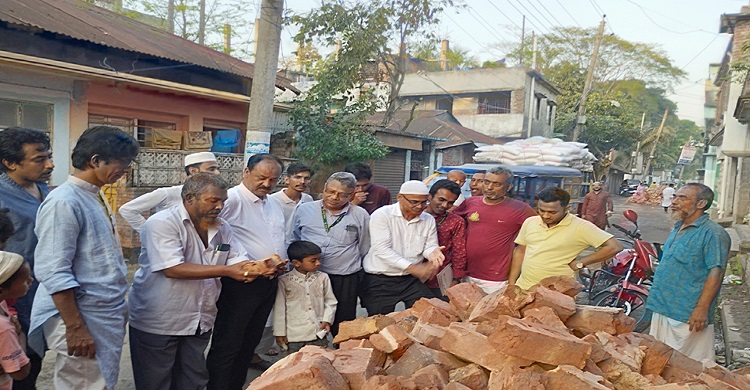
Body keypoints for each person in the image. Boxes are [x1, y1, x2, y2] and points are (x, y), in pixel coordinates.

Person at [127, 173, 275, 389]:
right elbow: (172, 268)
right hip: (161, 319)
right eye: (212, 200)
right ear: (189, 199)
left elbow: (238, 258)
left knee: (193, 380)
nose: (219, 206)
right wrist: (228, 271)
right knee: (156, 382)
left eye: (223, 201)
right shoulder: (162, 223)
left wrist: (261, 267)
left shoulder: (222, 227)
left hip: (199, 318)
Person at [29, 126, 139, 390]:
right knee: (84, 384)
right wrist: (75, 327)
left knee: (99, 382)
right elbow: (54, 271)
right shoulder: (64, 202)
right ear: (95, 161)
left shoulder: (94, 193)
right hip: (81, 315)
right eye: (123, 163)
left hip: (101, 312)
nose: (126, 170)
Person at [207, 154, 288, 390]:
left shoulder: (272, 202)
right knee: (228, 342)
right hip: (240, 282)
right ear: (246, 172)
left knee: (249, 341)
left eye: (273, 180)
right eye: (261, 177)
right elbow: (213, 234)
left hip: (269, 281)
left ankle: (235, 385)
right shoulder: (230, 199)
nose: (266, 184)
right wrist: (240, 263)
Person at [647, 183, 730, 363]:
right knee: (660, 362)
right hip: (663, 306)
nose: (674, 201)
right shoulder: (678, 227)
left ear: (701, 204)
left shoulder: (713, 234)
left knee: (691, 367)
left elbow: (716, 272)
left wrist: (701, 308)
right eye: (675, 196)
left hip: (688, 314)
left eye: (682, 198)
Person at [0, 127, 53, 389]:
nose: (49, 164)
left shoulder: (46, 190)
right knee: (12, 367)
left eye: (49, 156)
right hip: (9, 296)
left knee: (33, 360)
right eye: (39, 159)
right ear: (9, 163)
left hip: (39, 292)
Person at [291, 172, 369, 337]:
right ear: (323, 189)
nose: (334, 197)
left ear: (352, 195)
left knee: (343, 323)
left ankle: (342, 355)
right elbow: (294, 238)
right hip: (310, 277)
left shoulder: (360, 215)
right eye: (330, 191)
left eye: (342, 195)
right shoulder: (304, 210)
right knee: (309, 319)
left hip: (344, 278)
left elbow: (364, 246)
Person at [509, 187, 623, 290]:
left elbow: (614, 247)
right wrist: (512, 283)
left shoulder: (581, 226)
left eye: (552, 212)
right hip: (524, 287)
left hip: (559, 293)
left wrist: (581, 263)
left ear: (566, 208)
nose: (545, 216)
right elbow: (520, 251)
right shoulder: (530, 222)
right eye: (541, 210)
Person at [361, 181, 445, 315]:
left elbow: (429, 246)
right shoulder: (382, 215)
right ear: (400, 197)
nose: (420, 207)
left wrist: (433, 253)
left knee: (427, 313)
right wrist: (413, 268)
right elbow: (381, 249)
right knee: (380, 323)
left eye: (424, 202)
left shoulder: (427, 219)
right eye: (414, 202)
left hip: (410, 280)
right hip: (380, 279)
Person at [453, 167, 536, 294]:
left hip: (495, 280)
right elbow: (450, 221)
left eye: (497, 184)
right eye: (486, 182)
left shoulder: (521, 209)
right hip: (465, 274)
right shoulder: (470, 203)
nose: (489, 187)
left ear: (508, 187)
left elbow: (541, 229)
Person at [119, 151, 220, 232]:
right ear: (193, 171)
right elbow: (128, 210)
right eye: (212, 169)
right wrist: (150, 233)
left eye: (217, 169)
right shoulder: (168, 193)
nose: (217, 173)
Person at [273, 241, 337, 353]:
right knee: (294, 367)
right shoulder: (284, 281)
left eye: (318, 259)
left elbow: (330, 301)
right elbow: (279, 310)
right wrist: (279, 333)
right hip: (293, 337)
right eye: (313, 260)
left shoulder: (323, 278)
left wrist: (327, 320)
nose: (318, 263)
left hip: (317, 334)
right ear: (296, 263)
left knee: (319, 364)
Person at [423, 180, 467, 299]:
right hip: (411, 277)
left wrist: (456, 278)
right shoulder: (415, 215)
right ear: (430, 196)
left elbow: (459, 251)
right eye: (441, 200)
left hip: (439, 278)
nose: (445, 206)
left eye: (450, 203)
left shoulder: (456, 221)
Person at [0, 252, 33, 390]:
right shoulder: (4, 328)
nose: (31, 280)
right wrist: (19, 336)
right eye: (25, 280)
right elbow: (20, 372)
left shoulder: (2, 304)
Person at [269, 162, 314, 233]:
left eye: (306, 178)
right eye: (298, 177)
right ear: (287, 180)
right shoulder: (273, 200)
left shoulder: (308, 200)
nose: (302, 182)